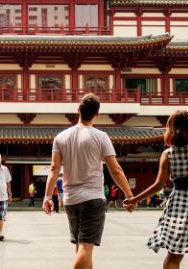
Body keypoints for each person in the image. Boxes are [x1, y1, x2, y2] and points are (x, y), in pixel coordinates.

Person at [124, 109, 188, 269]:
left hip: (178, 207)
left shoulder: (168, 154)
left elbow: (158, 185)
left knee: (174, 254)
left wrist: (134, 200)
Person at [43, 93, 134, 269]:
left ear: (78, 111)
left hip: (71, 200)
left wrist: (47, 197)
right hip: (92, 198)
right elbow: (115, 169)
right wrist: (129, 194)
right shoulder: (100, 136)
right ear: (97, 114)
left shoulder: (61, 137)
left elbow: (54, 169)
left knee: (81, 246)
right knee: (85, 247)